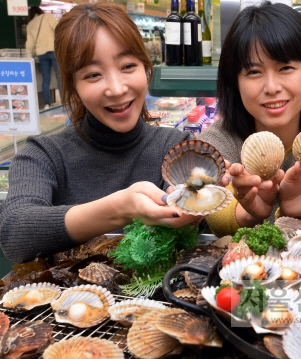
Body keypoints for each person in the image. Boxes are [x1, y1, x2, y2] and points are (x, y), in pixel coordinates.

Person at [0, 3, 218, 264]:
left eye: (127, 66)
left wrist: (199, 208)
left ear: (146, 68)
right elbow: (15, 233)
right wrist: (121, 209)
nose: (116, 88)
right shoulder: (43, 155)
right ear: (73, 85)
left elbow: (191, 224)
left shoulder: (177, 147)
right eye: (93, 74)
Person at [198, 2, 301, 237]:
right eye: (254, 72)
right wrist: (250, 212)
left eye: (285, 68)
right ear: (235, 80)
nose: (272, 87)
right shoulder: (216, 144)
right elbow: (215, 210)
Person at [25, 6, 62, 109]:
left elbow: (30, 44)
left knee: (46, 79)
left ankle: (47, 104)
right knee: (60, 77)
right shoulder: (48, 17)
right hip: (53, 50)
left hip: (41, 53)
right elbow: (58, 28)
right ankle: (64, 101)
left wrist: (28, 55)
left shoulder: (30, 24)